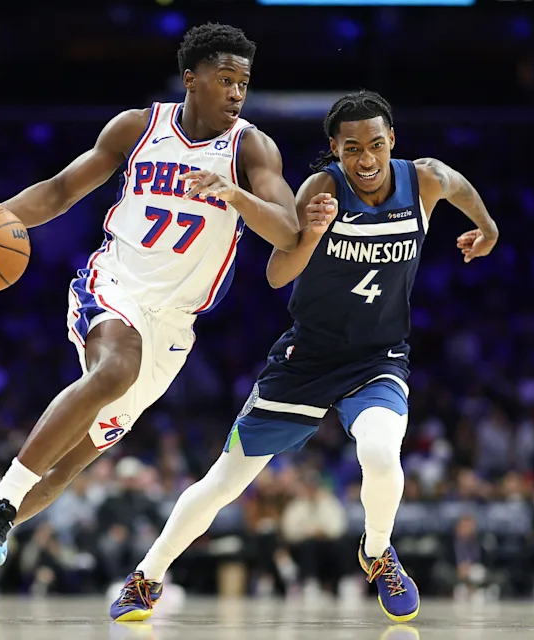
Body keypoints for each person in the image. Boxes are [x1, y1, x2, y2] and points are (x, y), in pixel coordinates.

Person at [0, 22, 302, 611]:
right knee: (114, 370)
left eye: (244, 83)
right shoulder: (137, 127)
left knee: (69, 464)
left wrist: (235, 195)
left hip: (175, 325)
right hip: (115, 285)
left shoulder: (252, 148)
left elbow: (287, 230)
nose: (235, 93)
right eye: (225, 79)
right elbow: (58, 190)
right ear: (191, 79)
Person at [107, 90, 499, 622]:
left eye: (377, 146)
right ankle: (146, 577)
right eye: (353, 147)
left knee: (382, 455)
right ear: (334, 148)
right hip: (307, 358)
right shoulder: (321, 189)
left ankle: (378, 552)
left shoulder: (423, 179)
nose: (366, 159)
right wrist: (312, 234)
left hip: (377, 357)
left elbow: (459, 185)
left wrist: (488, 226)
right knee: (223, 482)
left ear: (392, 143)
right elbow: (276, 274)